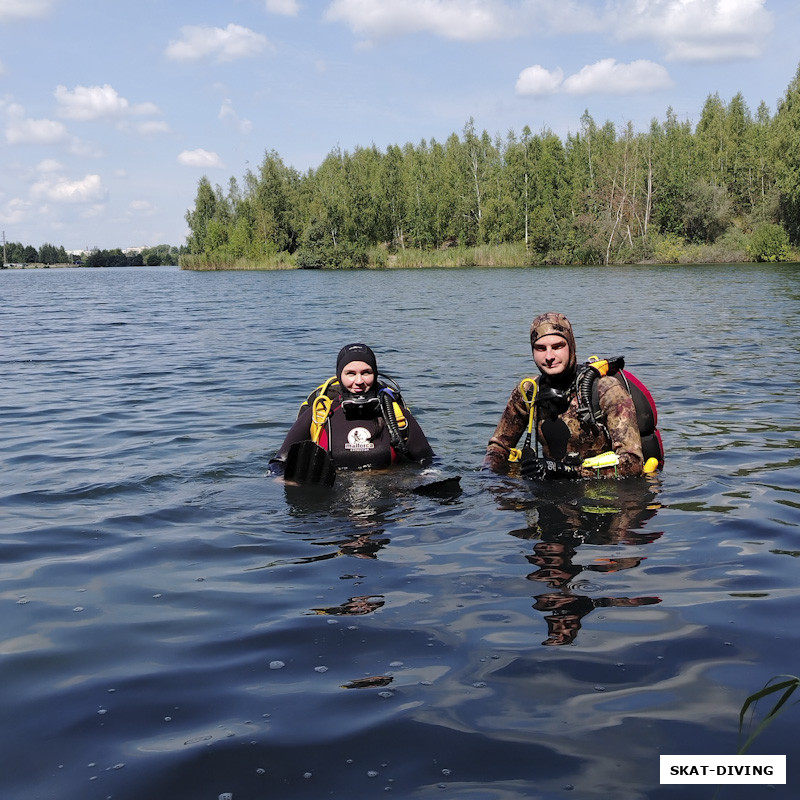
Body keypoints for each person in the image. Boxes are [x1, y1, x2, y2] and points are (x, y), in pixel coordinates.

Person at [483, 312, 644, 479]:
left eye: (557, 346)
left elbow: (633, 463)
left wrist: (569, 472)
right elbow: (499, 446)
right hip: (549, 489)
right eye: (540, 348)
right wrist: (487, 476)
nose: (549, 356)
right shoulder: (529, 391)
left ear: (571, 346)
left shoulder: (606, 390)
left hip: (599, 495)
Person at [270, 343, 434, 475]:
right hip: (333, 505)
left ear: (375, 374)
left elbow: (427, 460)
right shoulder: (321, 413)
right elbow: (279, 463)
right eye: (350, 373)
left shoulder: (394, 413)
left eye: (366, 372)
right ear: (339, 375)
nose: (359, 381)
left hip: (387, 500)